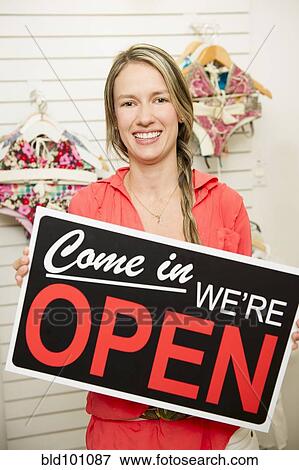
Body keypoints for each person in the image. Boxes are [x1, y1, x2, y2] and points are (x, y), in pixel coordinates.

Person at [13, 44, 299, 450]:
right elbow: (67, 331)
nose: (144, 116)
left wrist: (274, 331)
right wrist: (41, 289)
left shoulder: (226, 204)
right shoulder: (87, 207)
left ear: (181, 110)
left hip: (217, 438)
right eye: (128, 103)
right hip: (120, 438)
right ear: (115, 117)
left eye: (159, 98)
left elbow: (238, 327)